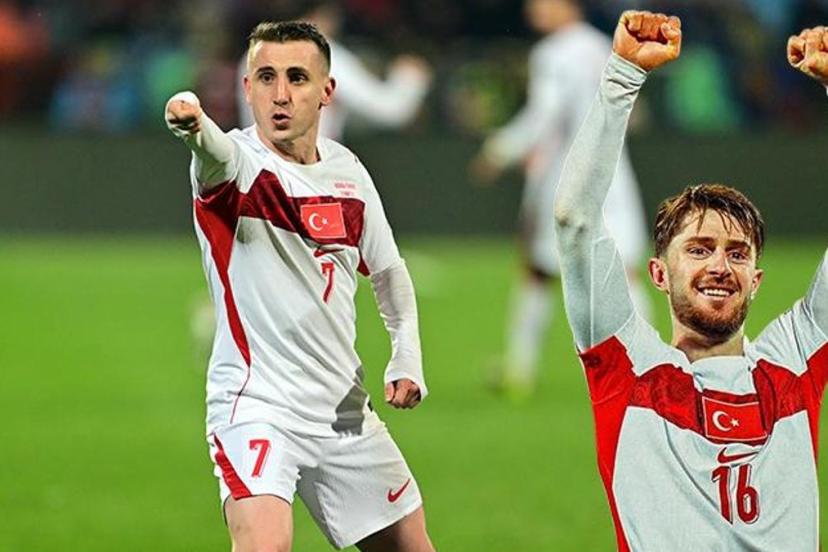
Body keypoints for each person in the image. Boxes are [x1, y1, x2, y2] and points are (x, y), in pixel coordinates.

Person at [555, 10, 828, 551]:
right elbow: (574, 220)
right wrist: (622, 76)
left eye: (737, 254)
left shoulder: (794, 360)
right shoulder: (629, 370)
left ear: (756, 280)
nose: (720, 266)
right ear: (659, 273)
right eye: (699, 250)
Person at [165, 21, 435, 552]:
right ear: (247, 89)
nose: (281, 94)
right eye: (266, 78)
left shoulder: (349, 173)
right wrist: (193, 124)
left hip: (342, 410)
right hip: (257, 406)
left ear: (327, 91)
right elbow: (213, 151)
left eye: (297, 77)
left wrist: (407, 356)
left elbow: (387, 272)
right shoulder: (238, 168)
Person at [469, 0, 650, 398]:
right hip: (613, 173)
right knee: (625, 270)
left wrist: (500, 149)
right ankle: (648, 369)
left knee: (537, 270)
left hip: (566, 174)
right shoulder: (605, 45)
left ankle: (519, 369)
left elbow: (544, 115)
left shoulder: (552, 53)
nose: (534, 9)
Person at [236, 1, 432, 141]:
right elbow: (390, 110)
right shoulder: (321, 54)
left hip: (259, 176)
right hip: (308, 176)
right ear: (325, 13)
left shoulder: (252, 55)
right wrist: (411, 76)